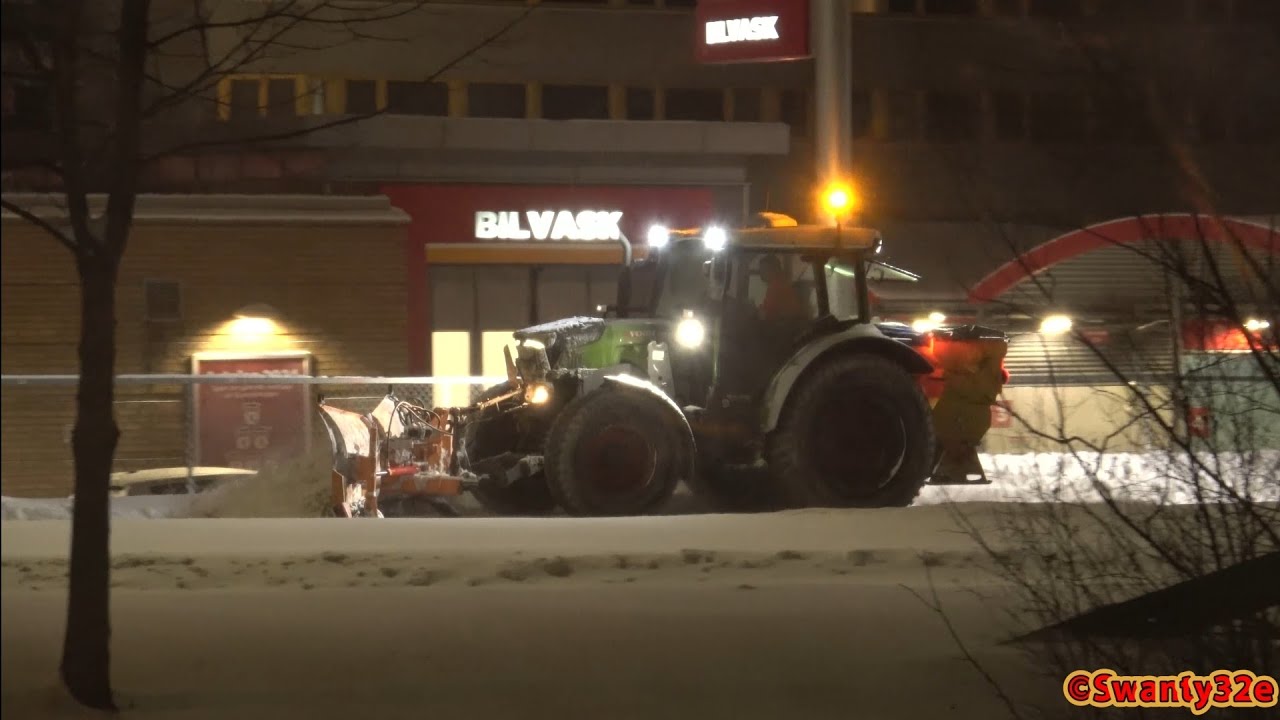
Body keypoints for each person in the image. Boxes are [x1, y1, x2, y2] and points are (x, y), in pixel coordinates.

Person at [757, 255, 806, 322]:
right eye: (761, 270)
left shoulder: (777, 286)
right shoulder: (780, 283)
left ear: (774, 269)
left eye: (764, 269)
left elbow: (767, 315)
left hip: (784, 327)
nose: (761, 273)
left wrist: (757, 312)